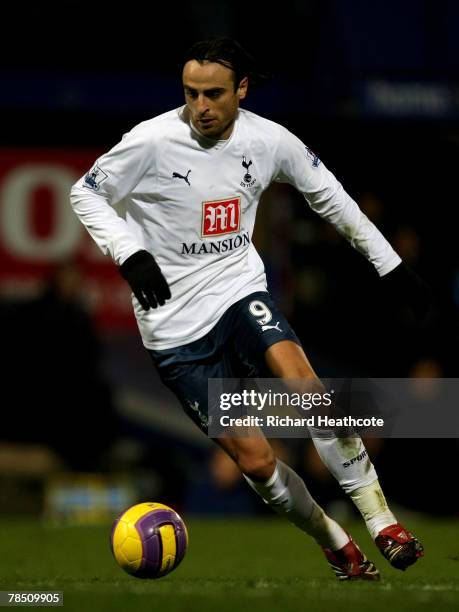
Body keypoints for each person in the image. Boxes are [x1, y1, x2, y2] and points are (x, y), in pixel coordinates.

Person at [70, 37, 429, 580]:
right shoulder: (151, 141)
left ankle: (382, 521)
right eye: (191, 93)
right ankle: (333, 540)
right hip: (174, 330)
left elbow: (331, 197)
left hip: (239, 289)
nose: (201, 106)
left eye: (214, 93)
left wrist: (393, 268)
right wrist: (131, 253)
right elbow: (86, 193)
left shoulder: (271, 140)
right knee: (258, 462)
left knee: (310, 391)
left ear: (241, 89)